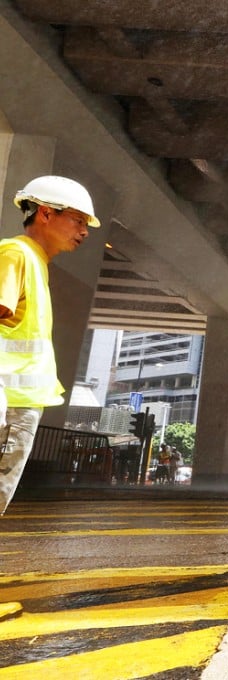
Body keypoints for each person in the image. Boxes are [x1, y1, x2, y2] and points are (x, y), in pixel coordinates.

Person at [0, 176, 99, 621]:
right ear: (46, 213)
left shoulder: (36, 262)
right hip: (9, 398)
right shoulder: (16, 254)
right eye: (77, 220)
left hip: (20, 398)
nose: (83, 231)